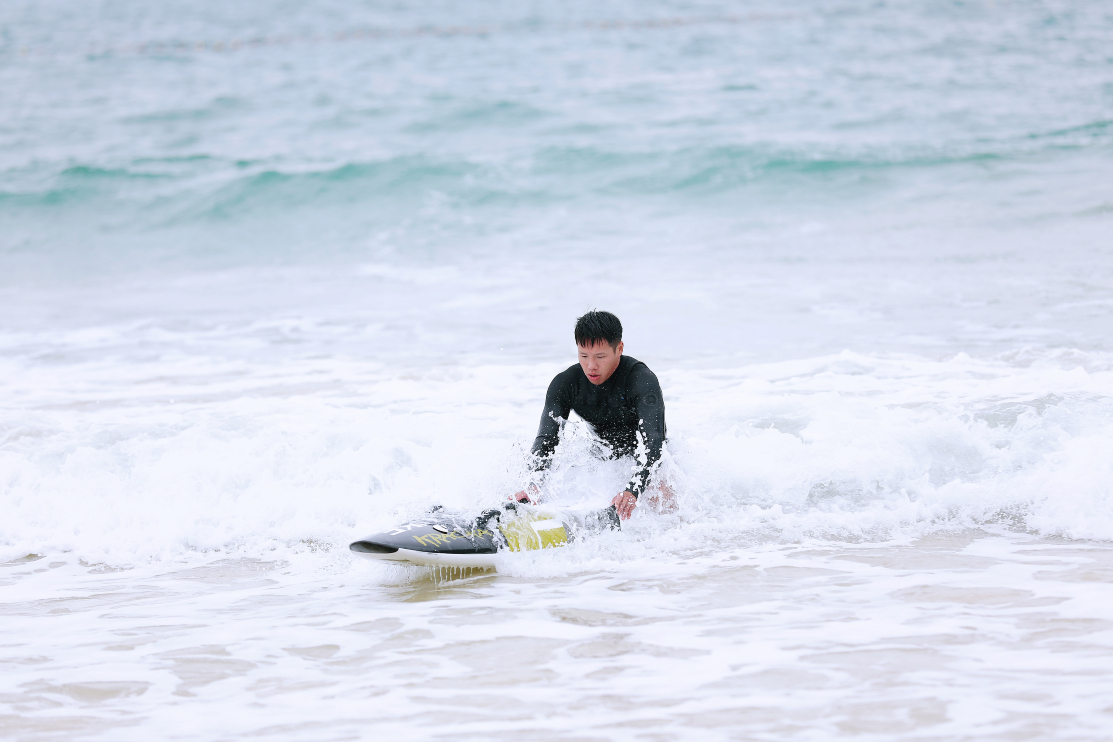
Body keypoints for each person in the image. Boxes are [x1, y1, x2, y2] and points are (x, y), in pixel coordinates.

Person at [512, 310, 671, 520]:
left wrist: (634, 488)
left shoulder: (641, 380)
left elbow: (654, 442)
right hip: (603, 459)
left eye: (600, 357)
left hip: (652, 460)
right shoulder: (566, 384)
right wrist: (533, 484)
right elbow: (546, 440)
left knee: (662, 496)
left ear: (619, 349)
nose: (591, 366)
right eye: (583, 356)